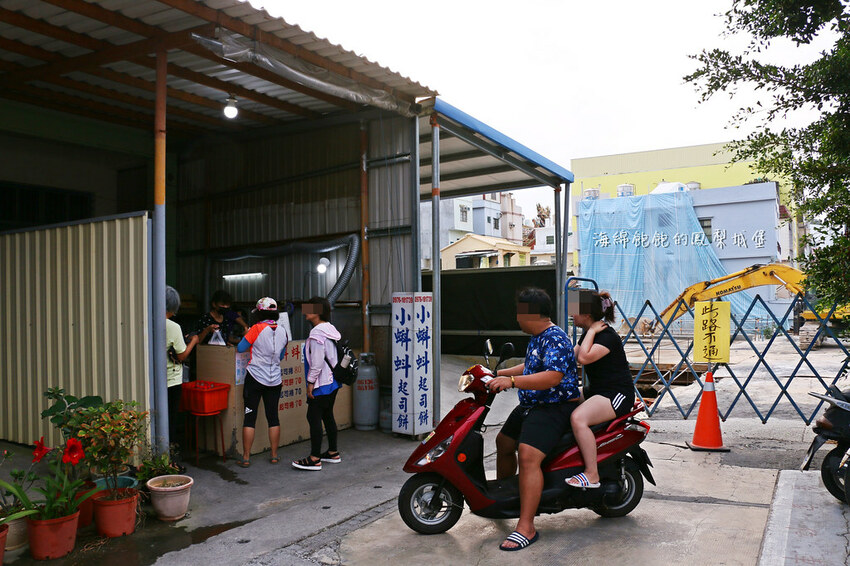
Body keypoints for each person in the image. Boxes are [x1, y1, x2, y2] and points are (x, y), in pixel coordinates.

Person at [487, 287, 580, 551]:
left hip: (554, 407)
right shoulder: (538, 338)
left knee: (528, 456)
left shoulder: (556, 338)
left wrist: (512, 381)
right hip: (532, 404)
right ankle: (506, 498)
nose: (517, 318)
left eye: (519, 313)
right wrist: (498, 373)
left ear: (531, 314)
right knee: (504, 442)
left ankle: (526, 526)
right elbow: (531, 367)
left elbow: (552, 376)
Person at [566, 290, 635, 489]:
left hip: (617, 394)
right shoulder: (589, 335)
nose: (571, 314)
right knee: (565, 399)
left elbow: (583, 358)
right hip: (597, 391)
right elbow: (569, 358)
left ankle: (592, 474)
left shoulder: (606, 336)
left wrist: (592, 331)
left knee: (578, 418)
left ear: (587, 314)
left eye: (574, 310)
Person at [292, 296, 343, 471]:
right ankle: (333, 452)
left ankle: (314, 458)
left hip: (321, 383)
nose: (305, 311)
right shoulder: (330, 329)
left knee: (313, 417)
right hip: (333, 381)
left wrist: (310, 383)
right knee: (327, 415)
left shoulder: (316, 333)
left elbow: (317, 363)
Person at [236, 297, 288, 467]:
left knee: (249, 418)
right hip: (275, 380)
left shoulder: (256, 328)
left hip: (255, 378)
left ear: (258, 313)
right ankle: (274, 455)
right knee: (273, 418)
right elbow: (281, 355)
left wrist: (247, 334)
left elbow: (240, 348)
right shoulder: (283, 331)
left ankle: (246, 457)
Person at [165, 286, 199, 445]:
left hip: (154, 379)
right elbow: (182, 355)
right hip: (171, 380)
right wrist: (193, 341)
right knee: (170, 419)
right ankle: (170, 453)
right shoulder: (173, 326)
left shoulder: (149, 321)